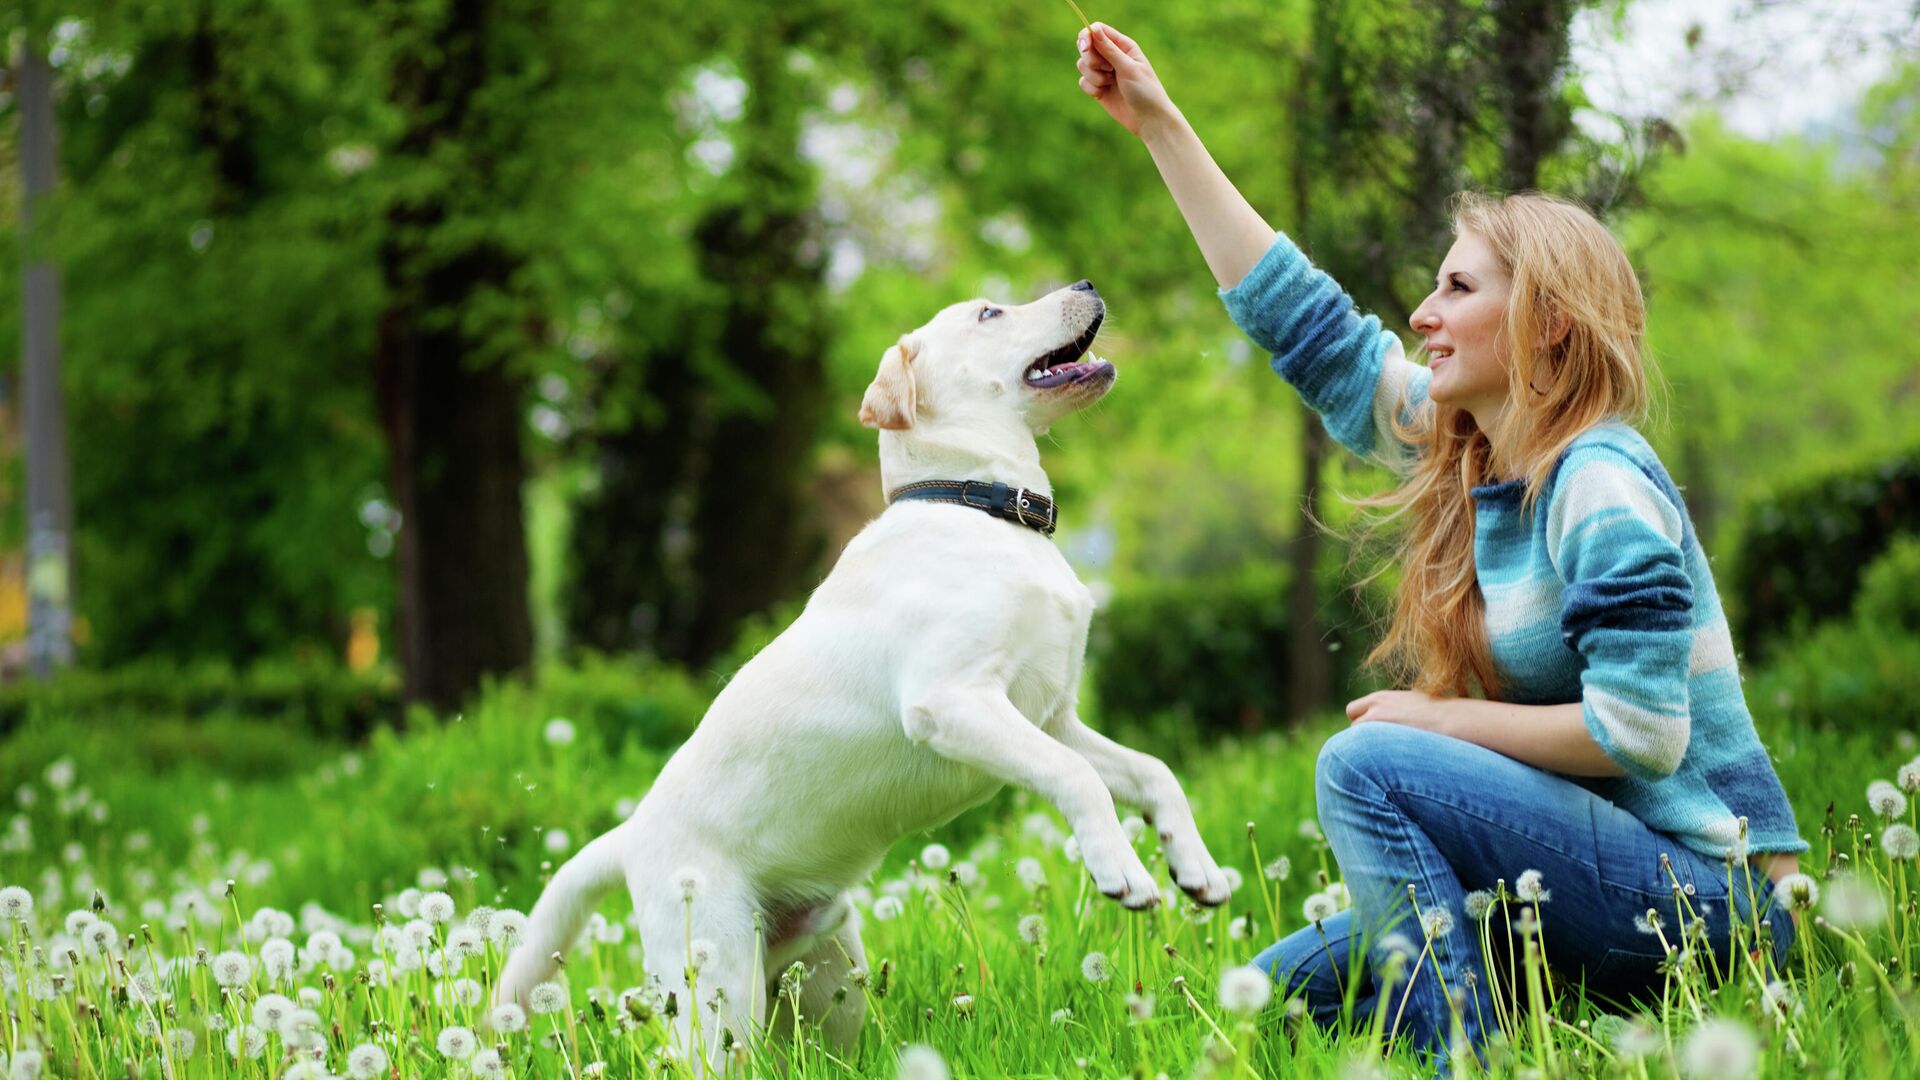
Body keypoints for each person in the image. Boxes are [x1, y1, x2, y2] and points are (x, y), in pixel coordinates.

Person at [1074, 20, 1807, 1067]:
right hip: (1584, 874)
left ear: (1547, 323)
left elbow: (1640, 736)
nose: (1422, 312)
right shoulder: (1478, 453)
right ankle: (1487, 1008)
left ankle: (1460, 1055)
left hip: (1710, 906)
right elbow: (1311, 330)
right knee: (1277, 996)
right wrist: (1160, 124)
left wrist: (1440, 720)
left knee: (1366, 761)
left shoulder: (1599, 480)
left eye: (1458, 289)